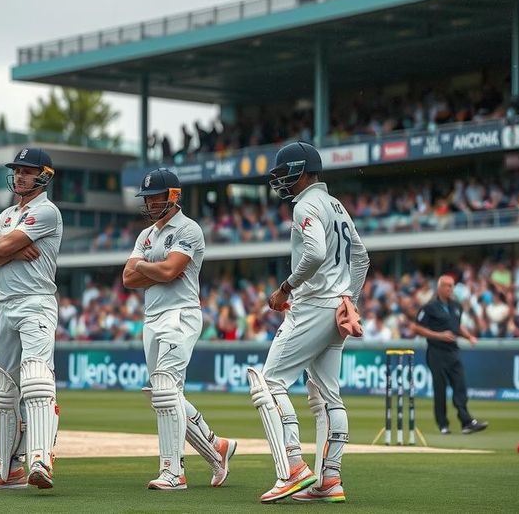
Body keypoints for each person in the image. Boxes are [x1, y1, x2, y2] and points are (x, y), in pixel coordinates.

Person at [251, 141, 370, 504]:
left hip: (313, 305)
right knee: (328, 394)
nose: (280, 179)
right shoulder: (337, 206)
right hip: (337, 307)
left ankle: (293, 467)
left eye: (284, 172)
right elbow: (362, 257)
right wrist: (349, 299)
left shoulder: (306, 204)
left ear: (301, 171)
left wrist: (285, 287)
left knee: (269, 383)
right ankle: (330, 478)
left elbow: (316, 252)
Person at [122, 168, 237, 490]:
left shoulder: (189, 229)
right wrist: (153, 270)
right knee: (164, 393)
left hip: (181, 314)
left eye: (155, 196)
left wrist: (146, 266)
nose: (149, 203)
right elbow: (127, 279)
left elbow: (172, 270)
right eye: (146, 198)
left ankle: (173, 471)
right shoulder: (146, 235)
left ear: (173, 196)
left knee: (165, 390)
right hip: (152, 315)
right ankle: (217, 448)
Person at [0, 147, 63, 490]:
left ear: (43, 176)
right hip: (5, 304)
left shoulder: (47, 212)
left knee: (37, 380)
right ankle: (8, 469)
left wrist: (2, 246)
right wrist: (5, 246)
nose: (20, 175)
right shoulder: (8, 213)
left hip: (36, 302)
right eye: (17, 170)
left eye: (27, 170)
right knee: (7, 391)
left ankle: (40, 459)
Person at [409, 275, 488, 435]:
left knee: (460, 386)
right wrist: (439, 335)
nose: (450, 289)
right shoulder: (429, 307)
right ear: (439, 288)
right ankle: (443, 424)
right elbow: (416, 328)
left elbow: (457, 327)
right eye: (447, 286)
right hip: (436, 352)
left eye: (452, 286)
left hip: (453, 351)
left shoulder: (456, 306)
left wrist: (469, 337)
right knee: (440, 389)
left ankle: (466, 421)